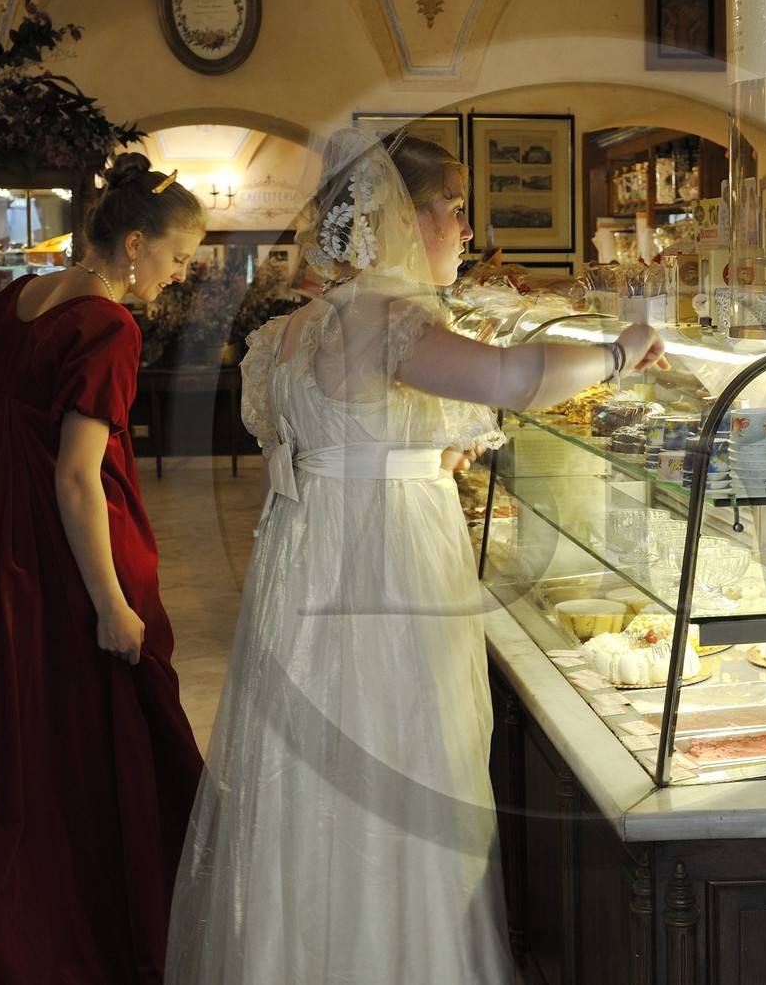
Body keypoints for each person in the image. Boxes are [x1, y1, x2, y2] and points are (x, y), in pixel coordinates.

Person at [166, 129, 667, 982]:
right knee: (402, 754)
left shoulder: (291, 332)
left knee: (309, 779)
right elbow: (513, 379)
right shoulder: (388, 314)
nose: (467, 230)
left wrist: (416, 458)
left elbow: (322, 448)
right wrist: (621, 351)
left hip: (305, 564)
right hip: (384, 567)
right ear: (398, 217)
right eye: (455, 209)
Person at [0, 153, 208, 983]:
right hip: (68, 548)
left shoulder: (17, 299)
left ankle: (7, 926)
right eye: (179, 259)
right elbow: (78, 476)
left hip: (2, 539)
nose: (180, 277)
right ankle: (81, 931)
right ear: (137, 245)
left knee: (7, 723)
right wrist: (111, 603)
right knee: (86, 729)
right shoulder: (110, 326)